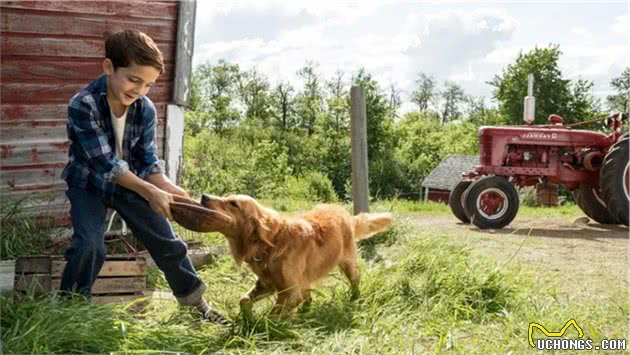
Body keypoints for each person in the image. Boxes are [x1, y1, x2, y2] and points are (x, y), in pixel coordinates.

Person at [60, 29, 227, 325]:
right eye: (134, 79)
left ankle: (194, 303)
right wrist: (151, 192)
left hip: (130, 183)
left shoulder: (145, 109)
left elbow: (148, 162)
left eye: (148, 84)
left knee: (168, 241)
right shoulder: (82, 104)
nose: (139, 90)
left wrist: (174, 194)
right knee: (90, 246)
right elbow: (106, 165)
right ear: (109, 67)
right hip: (88, 183)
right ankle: (70, 311)